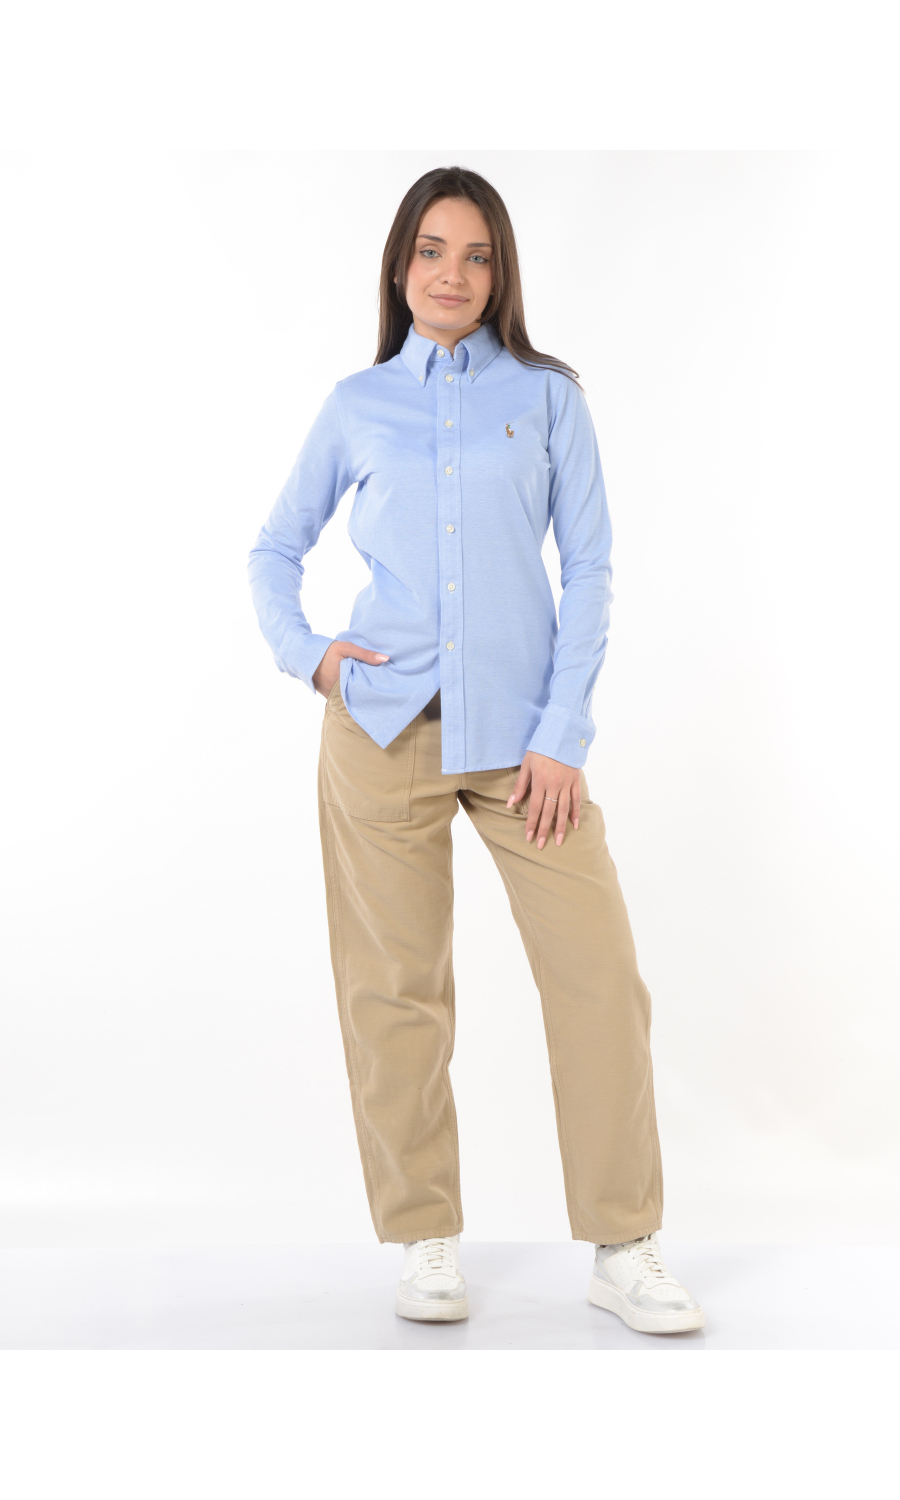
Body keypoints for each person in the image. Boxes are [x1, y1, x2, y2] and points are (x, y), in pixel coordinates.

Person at [248, 165, 704, 1336]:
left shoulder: (547, 398)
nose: (453, 274)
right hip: (380, 731)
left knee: (599, 978)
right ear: (400, 266)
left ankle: (623, 1243)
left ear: (501, 274)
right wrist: (314, 658)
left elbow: (590, 568)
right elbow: (273, 550)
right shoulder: (356, 404)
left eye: (478, 254)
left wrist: (564, 736)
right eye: (432, 250)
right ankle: (426, 1236)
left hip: (524, 750)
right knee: (395, 994)